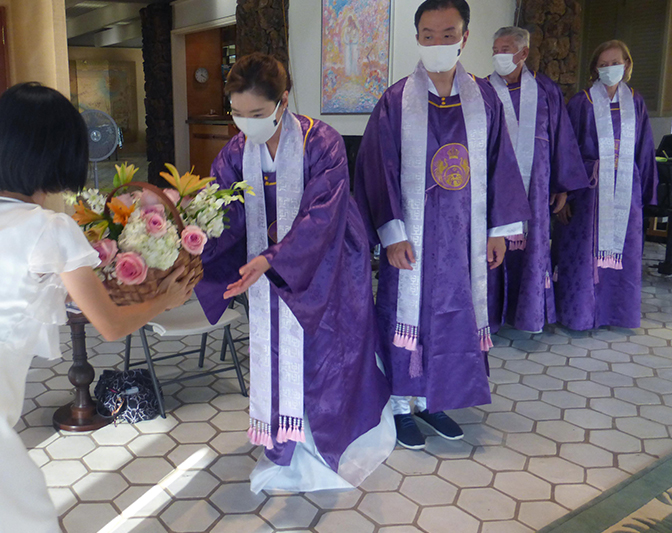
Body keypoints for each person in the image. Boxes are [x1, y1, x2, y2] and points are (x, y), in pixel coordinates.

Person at [0, 83, 195, 532]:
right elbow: (112, 325)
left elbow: (16, 288)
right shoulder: (51, 229)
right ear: (59, 152)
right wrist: (166, 298)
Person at [196, 53, 394, 492]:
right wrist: (193, 245)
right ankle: (286, 441)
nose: (246, 124)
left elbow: (324, 213)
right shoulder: (235, 152)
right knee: (278, 355)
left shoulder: (321, 142)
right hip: (266, 267)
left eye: (258, 114)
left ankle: (330, 440)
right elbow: (222, 213)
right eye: (238, 114)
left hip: (329, 264)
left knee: (326, 355)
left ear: (284, 101)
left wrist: (273, 259)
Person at [354, 0, 531, 450]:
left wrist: (496, 232)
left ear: (465, 37)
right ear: (418, 38)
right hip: (411, 241)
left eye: (448, 34)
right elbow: (377, 170)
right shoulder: (396, 101)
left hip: (462, 242)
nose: (438, 43)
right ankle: (399, 405)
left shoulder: (483, 99)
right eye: (429, 35)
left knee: (453, 318)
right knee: (404, 316)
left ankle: (436, 400)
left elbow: (500, 166)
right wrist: (390, 235)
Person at [486, 26, 589, 334]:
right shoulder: (482, 89)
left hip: (537, 188)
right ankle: (490, 316)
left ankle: (527, 316)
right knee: (493, 248)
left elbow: (561, 138)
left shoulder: (545, 90)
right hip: (493, 189)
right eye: (496, 49)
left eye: (506, 48)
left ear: (523, 53)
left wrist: (561, 185)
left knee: (532, 251)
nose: (498, 55)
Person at [553, 41, 658, 330]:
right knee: (583, 253)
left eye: (615, 62)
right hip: (589, 192)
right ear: (595, 69)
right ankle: (581, 315)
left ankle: (617, 314)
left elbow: (645, 148)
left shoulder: (635, 101)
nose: (610, 68)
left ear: (627, 64)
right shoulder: (581, 102)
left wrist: (648, 195)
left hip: (625, 191)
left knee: (624, 252)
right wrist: (566, 191)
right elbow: (567, 149)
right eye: (603, 63)